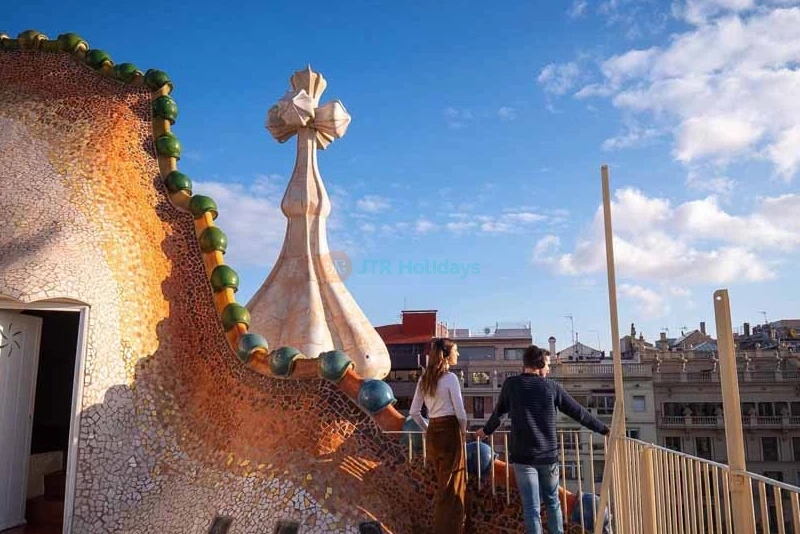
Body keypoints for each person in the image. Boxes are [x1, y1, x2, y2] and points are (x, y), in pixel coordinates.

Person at [476, 345, 610, 534]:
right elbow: (579, 413)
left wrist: (485, 431)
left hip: (523, 458)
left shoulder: (511, 384)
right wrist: (604, 430)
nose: (548, 369)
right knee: (552, 502)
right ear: (539, 364)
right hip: (548, 457)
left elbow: (499, 414)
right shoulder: (551, 387)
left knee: (532, 508)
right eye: (547, 365)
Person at [410, 337, 468, 534]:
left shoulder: (424, 379)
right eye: (455, 351)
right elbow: (460, 413)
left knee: (443, 484)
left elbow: (414, 412)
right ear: (446, 354)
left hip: (433, 432)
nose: (457, 354)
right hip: (450, 431)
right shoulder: (450, 378)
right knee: (452, 486)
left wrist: (428, 428)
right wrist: (463, 431)